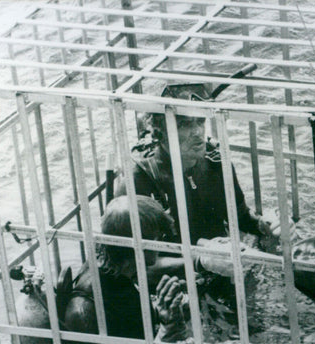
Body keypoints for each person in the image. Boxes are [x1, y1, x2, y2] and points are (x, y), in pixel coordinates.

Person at [114, 82, 289, 283]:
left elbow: (240, 215)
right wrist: (201, 261)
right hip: (172, 285)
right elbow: (131, 268)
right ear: (159, 132)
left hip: (222, 267)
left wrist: (265, 225)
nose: (197, 131)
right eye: (185, 124)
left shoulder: (215, 162)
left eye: (200, 121)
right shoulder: (139, 179)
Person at [58, 195, 188, 344]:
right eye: (157, 238)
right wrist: (168, 333)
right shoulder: (85, 310)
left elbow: (125, 315)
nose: (160, 243)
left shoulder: (113, 266)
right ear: (139, 247)